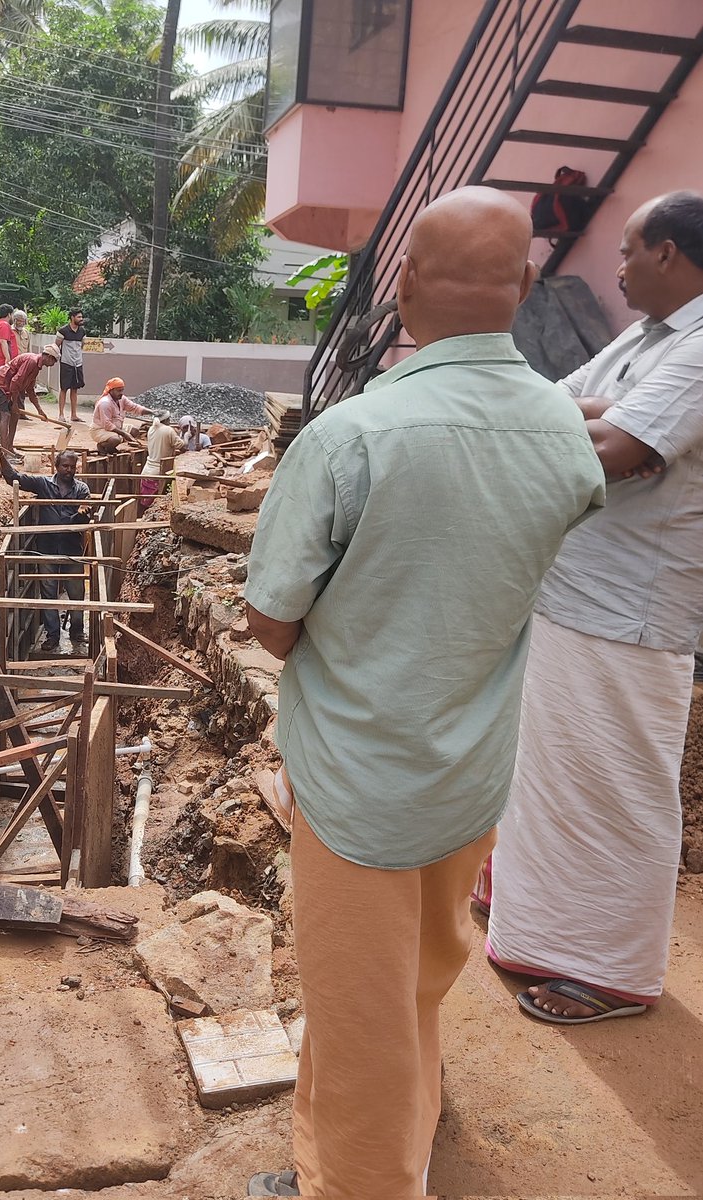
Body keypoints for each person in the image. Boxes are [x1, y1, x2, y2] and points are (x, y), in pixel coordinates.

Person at [242, 187, 605, 1198]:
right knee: (413, 989)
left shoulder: (351, 437)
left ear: (402, 288)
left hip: (361, 784)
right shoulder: (564, 433)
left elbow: (270, 621)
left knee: (358, 1015)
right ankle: (337, 1155)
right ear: (526, 288)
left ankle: (359, 1181)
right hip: (472, 773)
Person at [484, 190, 703, 1025]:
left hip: (631, 606)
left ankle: (610, 969)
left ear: (670, 255)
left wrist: (613, 426)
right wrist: (609, 417)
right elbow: (540, 401)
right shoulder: (645, 337)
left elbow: (613, 453)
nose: (613, 267)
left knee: (615, 788)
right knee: (549, 773)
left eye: (626, 251)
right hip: (574, 591)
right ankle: (538, 930)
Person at [0, 446, 92, 653]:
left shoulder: (81, 489)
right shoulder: (43, 483)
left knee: (76, 592)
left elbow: (85, 511)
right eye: (65, 466)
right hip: (46, 549)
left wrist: (84, 512)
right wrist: (1, 455)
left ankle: (77, 630)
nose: (69, 470)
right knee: (48, 594)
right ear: (57, 466)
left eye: (73, 467)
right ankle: (52, 636)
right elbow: (13, 478)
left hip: (71, 549)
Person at [0, 344, 59, 460]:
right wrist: (14, 403)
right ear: (49, 357)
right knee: (5, 415)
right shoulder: (31, 361)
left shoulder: (36, 366)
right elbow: (15, 382)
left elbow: (30, 390)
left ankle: (9, 448)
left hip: (8, 386)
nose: (54, 364)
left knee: (15, 415)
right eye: (54, 360)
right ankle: (4, 453)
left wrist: (40, 411)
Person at [90, 377, 153, 453]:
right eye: (118, 391)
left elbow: (135, 408)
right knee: (115, 440)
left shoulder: (122, 399)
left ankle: (113, 443)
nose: (121, 393)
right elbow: (107, 424)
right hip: (100, 429)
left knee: (134, 431)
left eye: (122, 390)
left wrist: (152, 412)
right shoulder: (105, 403)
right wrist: (124, 434)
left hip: (116, 426)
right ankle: (103, 446)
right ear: (111, 390)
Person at [139, 416, 185, 510]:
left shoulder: (152, 428)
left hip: (147, 470)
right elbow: (181, 446)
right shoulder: (168, 430)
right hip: (159, 471)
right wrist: (186, 436)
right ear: (166, 419)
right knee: (155, 504)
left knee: (145, 503)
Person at [56, 307, 86, 422]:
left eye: (81, 317)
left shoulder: (82, 331)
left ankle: (74, 415)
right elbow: (57, 345)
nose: (81, 319)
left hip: (78, 363)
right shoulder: (63, 330)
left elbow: (82, 345)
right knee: (64, 388)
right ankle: (61, 414)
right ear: (72, 317)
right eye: (78, 317)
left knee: (75, 389)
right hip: (66, 363)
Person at [0, 303, 17, 370]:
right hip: (3, 362)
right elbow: (3, 342)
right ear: (9, 314)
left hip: (1, 361)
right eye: (12, 314)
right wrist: (7, 359)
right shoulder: (4, 325)